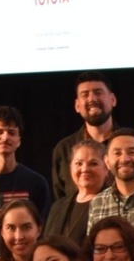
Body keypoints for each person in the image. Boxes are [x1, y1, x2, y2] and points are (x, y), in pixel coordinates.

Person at [0, 104, 52, 226]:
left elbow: (43, 226)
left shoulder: (36, 182)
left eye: (11, 133)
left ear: (19, 140)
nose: (5, 137)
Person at [51, 73, 119, 202]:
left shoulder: (130, 145)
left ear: (113, 100)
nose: (92, 99)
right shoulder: (64, 149)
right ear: (77, 106)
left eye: (98, 92)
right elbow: (61, 199)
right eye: (85, 95)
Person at [86, 127, 134, 235]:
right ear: (107, 162)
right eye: (117, 153)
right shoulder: (98, 202)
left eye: (132, 152)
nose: (124, 159)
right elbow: (93, 248)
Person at [46, 140, 109, 246]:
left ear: (106, 168)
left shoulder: (111, 203)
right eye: (79, 163)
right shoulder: (57, 207)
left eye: (93, 164)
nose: (85, 169)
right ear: (70, 168)